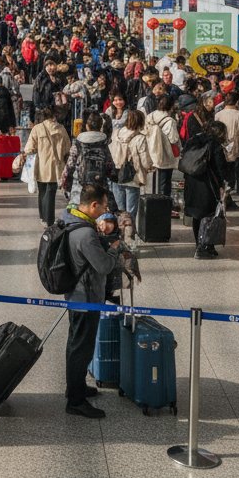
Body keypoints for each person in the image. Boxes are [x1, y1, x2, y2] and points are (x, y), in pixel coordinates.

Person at [62, 184, 122, 418]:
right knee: (81, 347)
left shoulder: (70, 217)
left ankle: (75, 387)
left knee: (75, 343)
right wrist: (114, 249)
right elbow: (104, 266)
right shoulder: (86, 234)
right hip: (86, 297)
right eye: (104, 206)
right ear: (93, 205)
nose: (106, 210)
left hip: (75, 294)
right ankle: (75, 401)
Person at [183, 121, 229, 259]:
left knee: (198, 215)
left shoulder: (194, 140)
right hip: (208, 184)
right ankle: (205, 246)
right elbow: (220, 167)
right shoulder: (215, 145)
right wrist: (224, 183)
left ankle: (200, 244)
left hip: (192, 182)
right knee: (209, 215)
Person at [22, 106, 71, 225]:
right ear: (54, 116)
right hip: (56, 166)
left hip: (41, 166)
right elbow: (67, 148)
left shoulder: (37, 129)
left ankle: (43, 217)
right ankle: (49, 220)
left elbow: (29, 148)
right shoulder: (61, 129)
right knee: (51, 193)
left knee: (42, 191)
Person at [61, 112, 116, 205]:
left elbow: (70, 166)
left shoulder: (78, 144)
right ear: (100, 127)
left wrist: (64, 184)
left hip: (80, 188)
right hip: (100, 187)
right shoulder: (104, 144)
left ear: (87, 126)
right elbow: (110, 166)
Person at [109, 110, 152, 219]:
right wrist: (150, 168)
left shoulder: (116, 134)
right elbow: (145, 161)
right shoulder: (140, 138)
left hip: (117, 174)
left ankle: (120, 233)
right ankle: (129, 233)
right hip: (132, 177)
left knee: (119, 211)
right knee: (130, 213)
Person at [145, 96, 180, 197]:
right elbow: (173, 139)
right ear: (171, 106)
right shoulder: (170, 121)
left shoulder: (149, 117)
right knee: (164, 183)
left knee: (152, 183)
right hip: (165, 156)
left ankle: (152, 203)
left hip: (151, 152)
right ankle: (163, 205)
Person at [217, 91, 239, 190]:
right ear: (237, 102)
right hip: (235, 147)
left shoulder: (218, 114)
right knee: (232, 168)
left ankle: (223, 189)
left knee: (222, 167)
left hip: (220, 146)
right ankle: (230, 189)